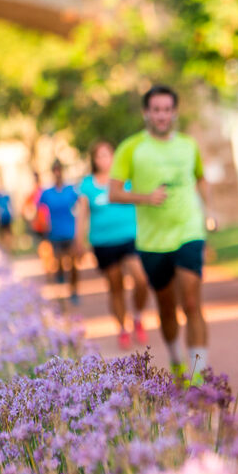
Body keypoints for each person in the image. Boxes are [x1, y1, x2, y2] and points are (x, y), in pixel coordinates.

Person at [108, 84, 214, 382]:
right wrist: (145, 197)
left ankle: (198, 376)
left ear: (174, 112)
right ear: (146, 113)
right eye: (156, 110)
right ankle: (177, 359)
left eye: (167, 109)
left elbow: (201, 180)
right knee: (166, 308)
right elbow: (113, 193)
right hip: (153, 241)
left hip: (188, 230)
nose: (162, 115)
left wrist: (210, 211)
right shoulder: (131, 148)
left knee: (191, 302)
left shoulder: (188, 145)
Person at [76, 140, 149, 350]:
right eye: (99, 156)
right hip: (103, 242)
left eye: (107, 155)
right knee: (115, 286)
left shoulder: (124, 179)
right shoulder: (87, 185)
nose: (104, 160)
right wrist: (79, 241)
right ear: (94, 160)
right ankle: (122, 328)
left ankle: (138, 316)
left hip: (130, 237)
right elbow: (82, 215)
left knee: (141, 279)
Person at [39, 162, 82, 303]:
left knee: (74, 263)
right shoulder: (47, 193)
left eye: (59, 170)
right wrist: (43, 225)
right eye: (55, 170)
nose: (58, 173)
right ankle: (60, 276)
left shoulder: (71, 190)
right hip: (54, 233)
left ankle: (74, 290)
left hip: (71, 232)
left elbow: (82, 206)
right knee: (58, 262)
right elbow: (39, 210)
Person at [24, 170, 54, 278]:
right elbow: (27, 209)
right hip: (40, 224)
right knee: (45, 245)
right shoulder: (36, 193)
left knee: (46, 245)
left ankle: (48, 266)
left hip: (46, 223)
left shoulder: (42, 192)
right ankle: (47, 266)